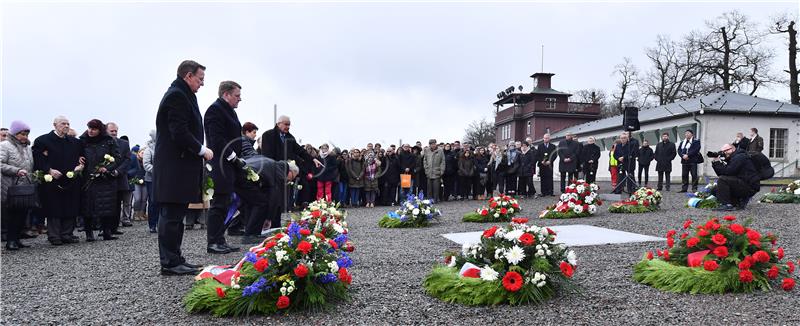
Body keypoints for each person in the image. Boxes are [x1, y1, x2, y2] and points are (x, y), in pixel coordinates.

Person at [154, 60, 211, 276]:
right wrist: (201, 149)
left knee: (176, 215)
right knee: (171, 216)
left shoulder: (184, 94)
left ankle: (176, 258)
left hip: (179, 166)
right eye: (200, 79)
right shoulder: (177, 95)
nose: (202, 84)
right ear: (188, 76)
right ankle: (169, 262)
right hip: (173, 167)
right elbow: (178, 131)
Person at [203, 80, 245, 254]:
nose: (240, 99)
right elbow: (217, 139)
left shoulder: (228, 111)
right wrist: (233, 157)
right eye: (237, 95)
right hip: (219, 163)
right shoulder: (215, 110)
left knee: (225, 202)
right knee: (219, 203)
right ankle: (213, 241)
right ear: (225, 94)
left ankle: (220, 239)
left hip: (227, 164)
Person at [32, 116, 85, 246]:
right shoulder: (42, 140)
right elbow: (37, 158)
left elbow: (82, 157)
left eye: (68, 124)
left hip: (71, 179)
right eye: (63, 124)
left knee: (70, 206)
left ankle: (67, 234)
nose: (66, 126)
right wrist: (48, 170)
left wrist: (81, 166)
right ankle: (54, 236)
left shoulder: (75, 142)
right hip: (52, 180)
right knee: (54, 208)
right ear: (55, 125)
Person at [79, 119, 122, 241]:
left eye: (94, 129)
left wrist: (107, 168)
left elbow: (117, 158)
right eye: (89, 128)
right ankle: (89, 233)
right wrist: (79, 158)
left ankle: (106, 232)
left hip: (104, 178)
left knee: (106, 205)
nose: (90, 131)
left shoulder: (109, 141)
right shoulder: (82, 141)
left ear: (100, 130)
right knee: (88, 205)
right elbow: (77, 154)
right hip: (88, 177)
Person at [1, 121, 34, 250]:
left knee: (22, 214)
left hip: (24, 187)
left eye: (26, 134)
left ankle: (17, 239)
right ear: (14, 133)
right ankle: (10, 241)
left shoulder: (27, 148)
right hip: (10, 186)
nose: (25, 136)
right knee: (12, 215)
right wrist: (16, 170)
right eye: (22, 134)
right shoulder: (4, 146)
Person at [711, 144, 760, 211]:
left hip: (750, 186)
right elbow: (721, 173)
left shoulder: (740, 157)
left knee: (723, 180)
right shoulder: (733, 158)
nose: (725, 153)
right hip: (742, 183)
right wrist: (715, 162)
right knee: (715, 190)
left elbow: (728, 172)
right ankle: (737, 202)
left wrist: (718, 163)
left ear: (733, 149)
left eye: (726, 150)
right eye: (723, 151)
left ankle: (727, 205)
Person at [107, 122, 132, 230]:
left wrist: (118, 171)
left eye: (115, 131)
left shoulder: (124, 144)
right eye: (111, 131)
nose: (114, 133)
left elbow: (127, 159)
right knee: (107, 203)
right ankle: (105, 228)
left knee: (117, 203)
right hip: (105, 177)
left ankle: (114, 227)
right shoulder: (102, 143)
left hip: (119, 177)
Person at [142, 130, 158, 233]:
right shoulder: (148, 150)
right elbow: (146, 164)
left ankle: (160, 223)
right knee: (153, 201)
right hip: (151, 179)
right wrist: (157, 171)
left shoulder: (164, 147)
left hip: (163, 179)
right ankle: (152, 224)